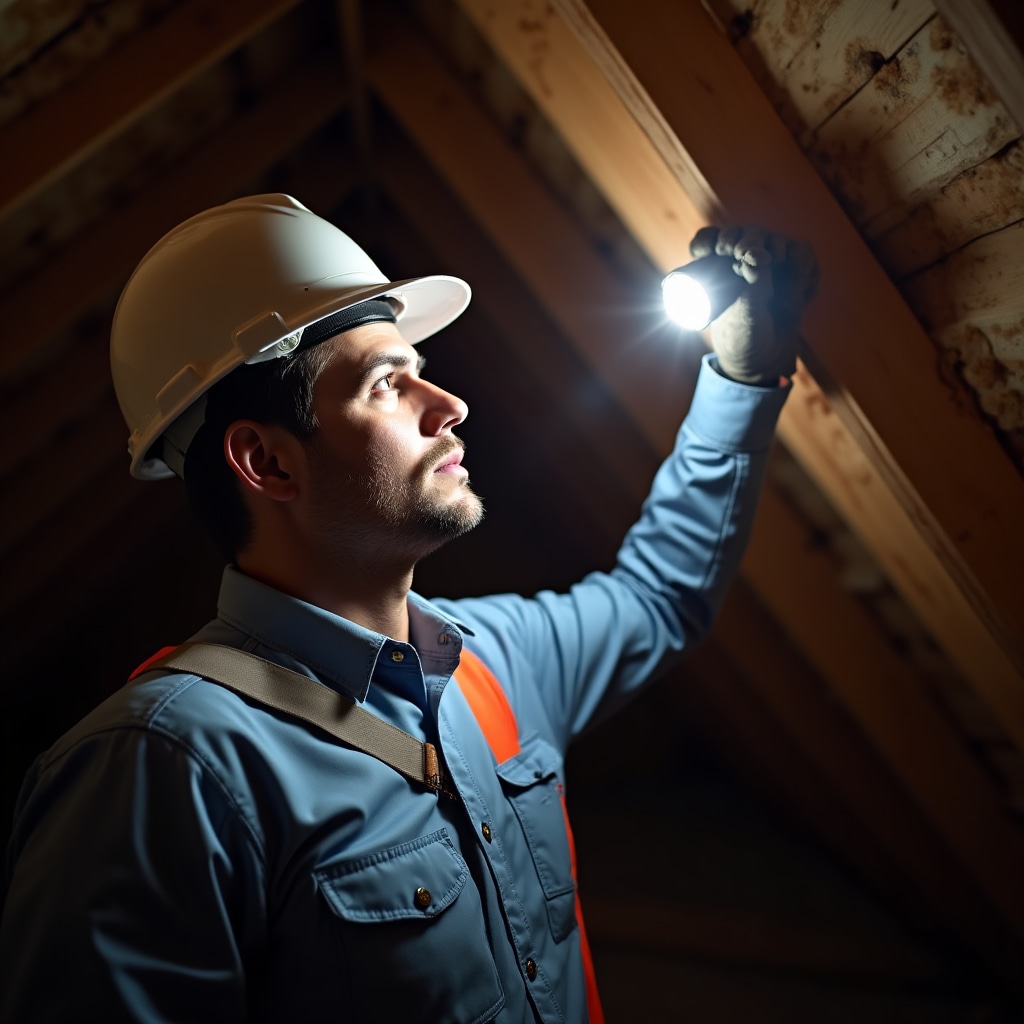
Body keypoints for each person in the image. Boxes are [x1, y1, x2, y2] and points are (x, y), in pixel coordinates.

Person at [0, 194, 816, 1023]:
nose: (448, 403)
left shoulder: (493, 662)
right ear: (267, 462)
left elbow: (660, 596)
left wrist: (743, 381)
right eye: (389, 383)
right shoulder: (164, 770)